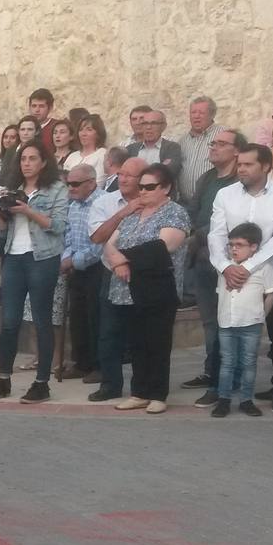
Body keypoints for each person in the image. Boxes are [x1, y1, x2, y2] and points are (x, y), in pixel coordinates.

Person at [209, 144, 273, 410]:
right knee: (224, 328)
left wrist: (247, 267)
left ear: (266, 166)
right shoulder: (225, 194)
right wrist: (226, 267)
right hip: (230, 276)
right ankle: (220, 388)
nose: (241, 169)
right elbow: (216, 235)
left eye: (248, 164)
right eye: (240, 164)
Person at [0, 141, 68, 404]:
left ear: (44, 162)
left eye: (33, 158)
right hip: (14, 256)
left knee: (41, 320)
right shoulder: (14, 190)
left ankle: (42, 383)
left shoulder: (57, 189)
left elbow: (59, 225)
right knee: (9, 322)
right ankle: (4, 379)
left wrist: (28, 210)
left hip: (42, 257)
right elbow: (0, 232)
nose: (27, 163)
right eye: (23, 159)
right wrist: (1, 218)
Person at [103, 163, 190, 413]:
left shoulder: (175, 213)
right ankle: (139, 391)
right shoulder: (133, 213)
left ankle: (158, 393)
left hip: (159, 287)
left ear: (166, 188)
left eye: (149, 187)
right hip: (128, 287)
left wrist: (122, 258)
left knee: (158, 342)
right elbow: (110, 244)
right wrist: (116, 260)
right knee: (137, 343)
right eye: (140, 187)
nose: (142, 191)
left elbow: (163, 247)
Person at [184, 129, 244, 399]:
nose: (214, 147)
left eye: (221, 144)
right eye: (213, 143)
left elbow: (230, 220)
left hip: (227, 260)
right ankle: (212, 370)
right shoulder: (207, 178)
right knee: (209, 321)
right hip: (202, 257)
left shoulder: (238, 182)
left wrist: (198, 234)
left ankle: (230, 375)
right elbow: (193, 210)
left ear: (236, 151)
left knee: (230, 321)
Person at [87, 158, 148, 401]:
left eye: (130, 176)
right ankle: (110, 384)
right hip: (111, 273)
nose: (123, 179)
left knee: (141, 334)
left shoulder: (154, 202)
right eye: (121, 174)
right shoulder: (105, 202)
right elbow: (97, 237)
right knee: (109, 332)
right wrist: (124, 212)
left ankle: (142, 386)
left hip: (143, 275)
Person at [210, 223, 273, 418]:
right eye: (231, 245)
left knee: (248, 363)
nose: (234, 249)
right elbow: (220, 293)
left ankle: (246, 400)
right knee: (227, 362)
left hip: (251, 324)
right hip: (227, 323)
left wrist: (261, 316)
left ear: (254, 247)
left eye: (239, 245)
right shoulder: (225, 269)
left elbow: (271, 293)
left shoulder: (263, 268)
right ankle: (224, 400)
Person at [58, 165, 104, 381]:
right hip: (76, 267)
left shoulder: (102, 203)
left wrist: (73, 261)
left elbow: (100, 243)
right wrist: (66, 258)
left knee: (95, 316)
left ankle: (99, 364)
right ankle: (81, 362)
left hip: (97, 267)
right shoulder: (73, 205)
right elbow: (68, 233)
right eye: (69, 184)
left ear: (91, 183)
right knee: (77, 316)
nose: (71, 188)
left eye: (75, 184)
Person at [178, 97, 223, 203]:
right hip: (186, 203)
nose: (196, 116)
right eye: (193, 112)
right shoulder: (183, 140)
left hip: (212, 201)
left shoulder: (222, 135)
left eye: (201, 113)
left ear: (212, 115)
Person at [127, 110, 184, 194]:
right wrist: (159, 166)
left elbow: (168, 173)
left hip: (161, 200)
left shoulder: (172, 147)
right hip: (135, 198)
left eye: (153, 123)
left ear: (163, 126)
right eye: (145, 123)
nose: (148, 127)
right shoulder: (130, 149)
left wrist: (137, 172)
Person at [65, 113, 110, 182]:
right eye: (81, 130)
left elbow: (98, 182)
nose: (83, 134)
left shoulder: (102, 154)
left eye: (89, 130)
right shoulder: (72, 156)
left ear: (98, 133)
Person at [30, 89, 60, 153]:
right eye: (34, 106)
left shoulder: (57, 127)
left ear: (50, 108)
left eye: (41, 106)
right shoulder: (24, 128)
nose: (37, 110)